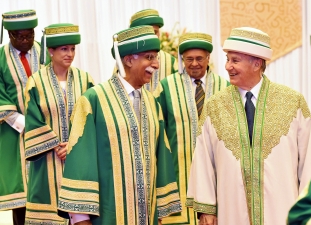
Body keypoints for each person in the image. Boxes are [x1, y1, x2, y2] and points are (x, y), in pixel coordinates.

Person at [186, 27, 311, 225]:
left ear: (257, 63)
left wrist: (308, 213)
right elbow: (204, 160)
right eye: (227, 59)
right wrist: (207, 209)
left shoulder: (292, 102)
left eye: (235, 60)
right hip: (231, 214)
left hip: (282, 213)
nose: (227, 67)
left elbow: (310, 159)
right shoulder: (215, 106)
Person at [57, 25, 181, 225]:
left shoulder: (152, 103)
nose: (156, 64)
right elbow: (80, 163)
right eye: (149, 57)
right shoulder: (93, 101)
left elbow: (162, 160)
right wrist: (80, 220)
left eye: (156, 57)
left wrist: (159, 214)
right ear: (129, 59)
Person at [153, 32, 229, 225]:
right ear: (182, 59)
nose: (194, 64)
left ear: (208, 58)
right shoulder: (166, 87)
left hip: (218, 174)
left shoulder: (225, 87)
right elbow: (156, 133)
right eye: (189, 59)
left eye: (199, 59)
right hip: (177, 175)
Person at [24, 23, 94, 224]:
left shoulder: (85, 80)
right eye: (64, 49)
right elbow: (33, 120)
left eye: (73, 48)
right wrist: (57, 145)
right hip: (47, 160)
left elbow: (92, 117)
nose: (70, 54)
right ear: (50, 50)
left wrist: (73, 144)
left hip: (79, 158)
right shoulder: (36, 82)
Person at [0, 9, 48, 225]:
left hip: (47, 128)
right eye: (20, 36)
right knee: (22, 196)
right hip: (13, 131)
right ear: (9, 35)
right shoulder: (1, 58)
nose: (26, 40)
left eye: (30, 35)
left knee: (48, 186)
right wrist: (23, 122)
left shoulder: (45, 53)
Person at [125, 9, 178, 92]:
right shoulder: (126, 60)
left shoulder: (171, 62)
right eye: (148, 33)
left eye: (155, 32)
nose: (152, 37)